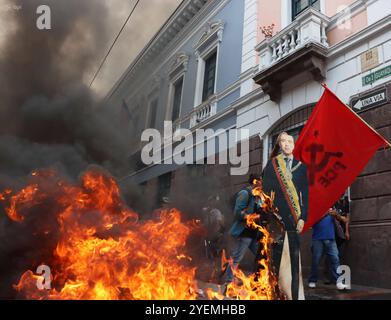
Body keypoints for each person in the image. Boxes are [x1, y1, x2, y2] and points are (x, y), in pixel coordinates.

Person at [262, 132, 308, 300]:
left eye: (290, 141)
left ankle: (295, 296)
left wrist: (303, 217)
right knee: (276, 261)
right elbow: (266, 193)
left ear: (294, 145)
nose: (287, 144)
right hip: (277, 221)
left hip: (296, 220)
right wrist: (272, 216)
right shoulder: (272, 166)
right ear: (279, 145)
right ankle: (275, 295)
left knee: (295, 263)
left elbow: (305, 195)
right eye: (283, 141)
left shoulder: (301, 167)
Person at [224, 174, 263, 287]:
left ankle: (257, 281)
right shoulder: (245, 193)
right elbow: (237, 212)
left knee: (261, 256)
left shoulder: (258, 196)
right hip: (244, 233)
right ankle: (228, 283)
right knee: (237, 258)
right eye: (260, 181)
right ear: (255, 182)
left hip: (254, 234)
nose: (262, 183)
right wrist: (250, 217)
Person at [308, 208, 349, 290]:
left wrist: (336, 215)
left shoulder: (332, 209)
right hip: (317, 239)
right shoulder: (316, 209)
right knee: (316, 260)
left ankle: (339, 282)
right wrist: (324, 214)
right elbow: (310, 223)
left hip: (331, 238)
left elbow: (344, 220)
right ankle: (312, 280)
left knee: (335, 259)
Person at [202, 195, 225, 282]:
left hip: (216, 236)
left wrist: (215, 234)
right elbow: (205, 225)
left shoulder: (216, 212)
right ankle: (211, 276)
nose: (210, 203)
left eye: (212, 201)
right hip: (210, 237)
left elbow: (219, 223)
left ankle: (217, 277)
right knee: (210, 257)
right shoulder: (208, 212)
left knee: (216, 257)